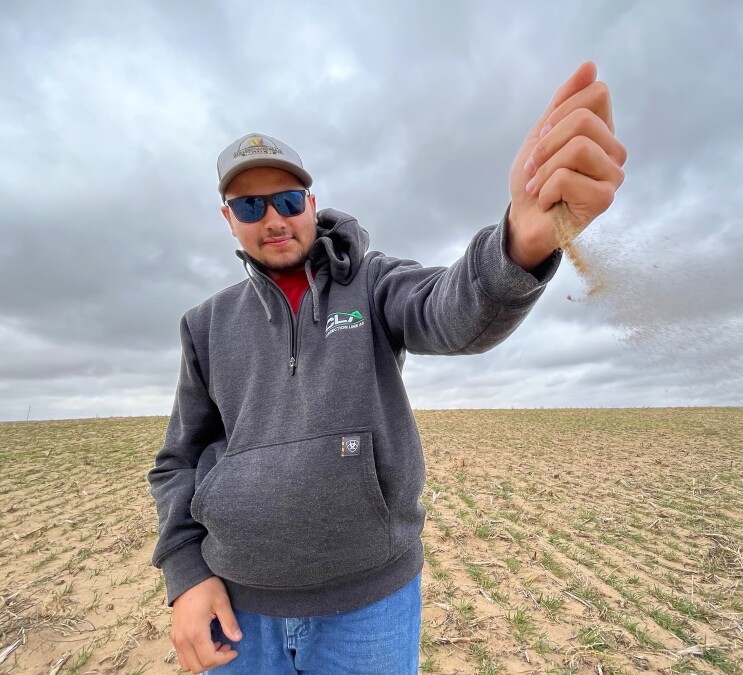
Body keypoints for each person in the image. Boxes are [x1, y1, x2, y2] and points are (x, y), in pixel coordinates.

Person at [147, 61, 626, 674]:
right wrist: (185, 575)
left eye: (289, 200)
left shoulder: (372, 284)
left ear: (312, 203)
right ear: (228, 219)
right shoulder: (205, 324)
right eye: (251, 206)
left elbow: (450, 313)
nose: (274, 219)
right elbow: (177, 462)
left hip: (368, 605)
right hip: (238, 609)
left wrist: (520, 241)